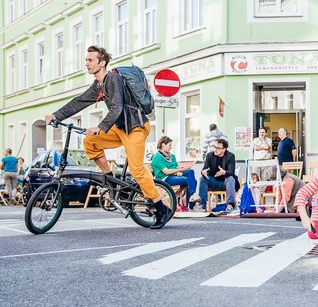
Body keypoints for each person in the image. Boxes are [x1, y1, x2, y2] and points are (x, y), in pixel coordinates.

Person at [44, 45, 172, 228]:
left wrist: (100, 127)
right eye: (86, 60)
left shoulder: (113, 79)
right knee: (90, 142)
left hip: (135, 127)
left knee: (136, 169)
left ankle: (160, 207)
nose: (86, 63)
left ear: (101, 62)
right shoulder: (99, 84)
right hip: (120, 128)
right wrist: (56, 115)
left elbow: (117, 107)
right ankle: (111, 180)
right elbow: (78, 102)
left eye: (90, 60)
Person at [151, 136, 197, 212]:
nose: (171, 147)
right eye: (169, 145)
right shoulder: (157, 157)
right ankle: (190, 200)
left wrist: (181, 170)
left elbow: (177, 167)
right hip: (165, 179)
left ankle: (191, 197)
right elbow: (167, 172)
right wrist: (181, 170)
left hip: (174, 176)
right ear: (163, 145)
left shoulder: (172, 156)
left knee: (190, 172)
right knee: (191, 180)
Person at [197, 138, 239, 212]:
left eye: (218, 148)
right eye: (215, 147)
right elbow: (204, 169)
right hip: (214, 182)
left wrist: (224, 172)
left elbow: (231, 172)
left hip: (226, 183)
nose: (215, 150)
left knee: (230, 178)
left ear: (224, 149)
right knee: (202, 179)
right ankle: (203, 205)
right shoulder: (209, 155)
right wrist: (203, 172)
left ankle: (230, 204)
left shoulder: (230, 156)